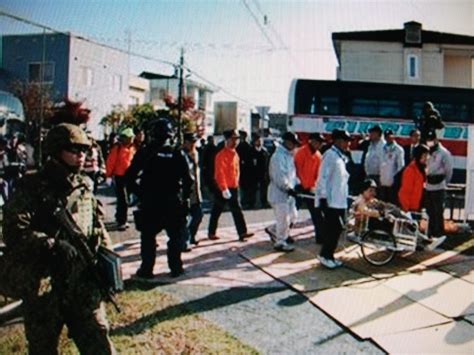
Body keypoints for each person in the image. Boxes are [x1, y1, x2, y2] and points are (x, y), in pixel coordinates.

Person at [2, 123, 115, 354]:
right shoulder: (32, 187)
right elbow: (14, 230)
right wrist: (50, 244)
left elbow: (97, 228)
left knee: (100, 346)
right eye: (74, 150)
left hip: (82, 284)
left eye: (84, 150)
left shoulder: (84, 186)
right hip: (45, 285)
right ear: (56, 151)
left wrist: (109, 264)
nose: (81, 156)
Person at [126, 118, 192, 279]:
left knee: (148, 237)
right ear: (170, 134)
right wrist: (184, 198)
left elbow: (129, 177)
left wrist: (140, 193)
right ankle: (176, 268)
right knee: (175, 237)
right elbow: (188, 180)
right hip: (172, 201)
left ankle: (147, 269)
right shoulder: (177, 153)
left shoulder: (145, 152)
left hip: (150, 201)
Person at [351, 178, 446, 250]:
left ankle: (419, 234)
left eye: (374, 191)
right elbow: (367, 211)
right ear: (363, 191)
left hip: (375, 223)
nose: (373, 193)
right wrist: (382, 213)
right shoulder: (361, 201)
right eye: (370, 190)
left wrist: (392, 208)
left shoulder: (371, 200)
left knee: (396, 213)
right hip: (367, 227)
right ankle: (423, 240)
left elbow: (382, 204)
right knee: (398, 223)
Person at [208, 129, 254, 242]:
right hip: (222, 188)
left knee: (236, 209)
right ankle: (211, 231)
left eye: (237, 139)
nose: (235, 142)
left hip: (233, 187)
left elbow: (237, 171)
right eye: (233, 139)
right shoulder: (221, 155)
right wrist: (223, 188)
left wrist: (236, 184)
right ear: (227, 139)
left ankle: (242, 232)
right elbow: (219, 173)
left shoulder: (235, 154)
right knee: (217, 210)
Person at [315, 129, 352, 269]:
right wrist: (323, 198)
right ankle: (325, 255)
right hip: (331, 202)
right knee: (332, 229)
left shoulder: (340, 156)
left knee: (337, 230)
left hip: (340, 200)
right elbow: (322, 178)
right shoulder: (329, 155)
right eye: (345, 141)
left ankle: (329, 255)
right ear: (336, 141)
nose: (347, 144)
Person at [266, 132, 301, 252]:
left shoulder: (289, 156)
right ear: (287, 142)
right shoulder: (278, 157)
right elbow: (279, 176)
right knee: (283, 219)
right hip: (279, 194)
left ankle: (274, 230)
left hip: (288, 194)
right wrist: (288, 188)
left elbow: (292, 174)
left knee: (293, 216)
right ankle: (280, 242)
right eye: (293, 143)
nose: (295, 146)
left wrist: (298, 184)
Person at [294, 132, 325, 244]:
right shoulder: (301, 152)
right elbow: (296, 170)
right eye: (317, 142)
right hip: (298, 187)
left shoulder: (318, 156)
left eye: (320, 143)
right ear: (311, 141)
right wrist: (300, 183)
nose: (319, 144)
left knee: (317, 213)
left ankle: (320, 237)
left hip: (310, 188)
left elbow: (318, 174)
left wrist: (316, 187)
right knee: (292, 213)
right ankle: (282, 235)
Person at [105, 127, 136, 231]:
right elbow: (110, 162)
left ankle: (120, 217)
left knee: (125, 199)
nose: (132, 139)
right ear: (125, 138)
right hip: (119, 177)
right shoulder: (117, 148)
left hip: (129, 177)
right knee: (123, 200)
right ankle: (122, 221)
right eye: (130, 137)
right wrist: (108, 176)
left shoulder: (132, 148)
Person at [424, 130, 453, 239]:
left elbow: (448, 170)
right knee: (429, 210)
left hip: (439, 184)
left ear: (436, 140)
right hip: (428, 184)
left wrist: (446, 183)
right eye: (428, 140)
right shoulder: (427, 152)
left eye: (432, 140)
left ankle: (439, 232)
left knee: (438, 210)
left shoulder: (444, 153)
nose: (430, 142)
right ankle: (430, 231)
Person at [182, 132, 204, 247]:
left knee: (198, 215)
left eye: (194, 142)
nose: (192, 145)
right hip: (185, 193)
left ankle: (192, 236)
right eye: (190, 142)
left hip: (196, 191)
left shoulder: (196, 154)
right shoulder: (181, 155)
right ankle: (185, 241)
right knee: (184, 219)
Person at [398, 144, 430, 213]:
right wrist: (406, 209)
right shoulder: (410, 170)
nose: (427, 158)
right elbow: (405, 191)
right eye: (424, 156)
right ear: (419, 156)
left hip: (419, 206)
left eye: (427, 156)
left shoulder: (423, 169)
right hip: (410, 207)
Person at [379, 129, 404, 203]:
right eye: (386, 137)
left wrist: (396, 180)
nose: (388, 138)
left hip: (393, 183)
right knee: (382, 204)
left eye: (389, 136)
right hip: (383, 181)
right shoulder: (382, 148)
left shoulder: (398, 149)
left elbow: (400, 166)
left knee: (391, 204)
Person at [245, 133, 270, 209]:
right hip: (253, 173)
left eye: (260, 141)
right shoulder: (250, 151)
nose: (259, 142)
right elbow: (248, 163)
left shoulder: (264, 152)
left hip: (263, 173)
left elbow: (267, 162)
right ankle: (250, 203)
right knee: (252, 189)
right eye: (258, 141)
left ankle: (264, 202)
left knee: (264, 188)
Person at [236, 130, 254, 209]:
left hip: (246, 169)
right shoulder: (242, 146)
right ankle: (245, 201)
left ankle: (246, 201)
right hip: (242, 169)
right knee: (243, 186)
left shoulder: (246, 146)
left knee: (246, 186)